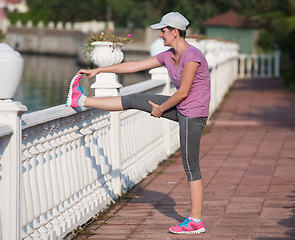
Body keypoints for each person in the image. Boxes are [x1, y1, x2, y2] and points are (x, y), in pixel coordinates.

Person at [66, 12, 210, 235]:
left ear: (175, 31)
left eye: (163, 31)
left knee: (191, 165)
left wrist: (161, 109)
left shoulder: (192, 56)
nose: (160, 34)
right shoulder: (169, 55)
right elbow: (133, 66)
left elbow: (182, 92)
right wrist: (98, 70)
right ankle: (81, 99)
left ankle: (196, 221)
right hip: (181, 108)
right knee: (134, 99)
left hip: (193, 114)